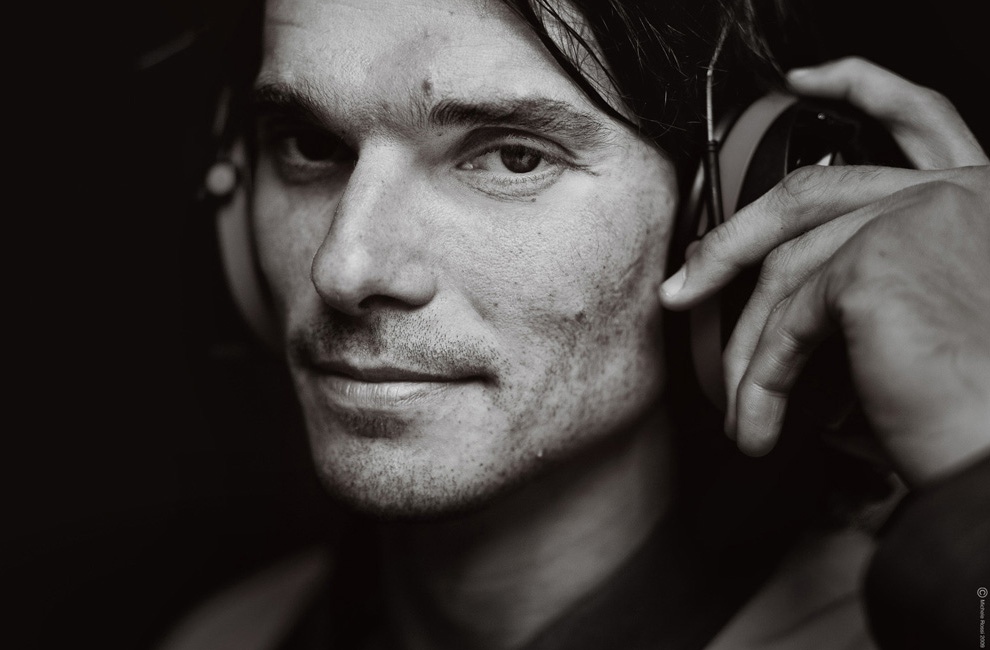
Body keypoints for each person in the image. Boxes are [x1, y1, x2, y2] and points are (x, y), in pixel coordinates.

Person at [162, 0, 990, 648]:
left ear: (735, 209)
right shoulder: (220, 637)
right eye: (306, 144)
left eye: (512, 156)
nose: (346, 268)